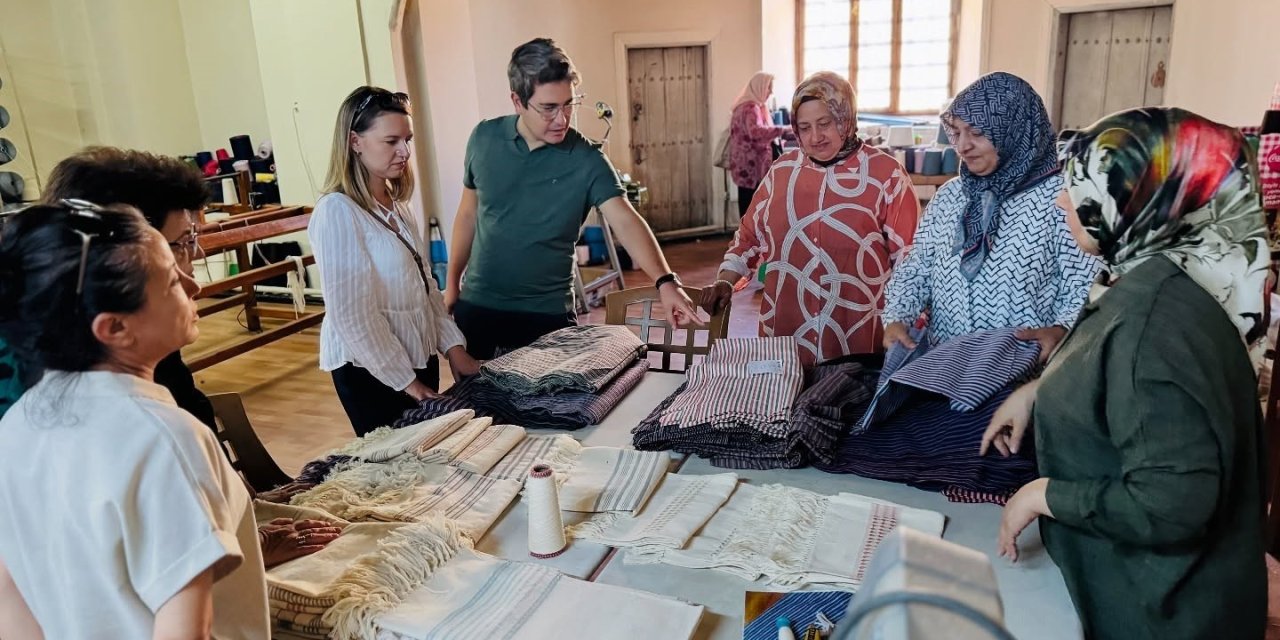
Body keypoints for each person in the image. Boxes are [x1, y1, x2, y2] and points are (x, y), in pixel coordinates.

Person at [983, 108, 1268, 639]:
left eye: (1079, 188)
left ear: (1135, 199)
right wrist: (1041, 391)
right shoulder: (1149, 277)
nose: (1061, 202)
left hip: (1161, 614)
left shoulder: (1153, 329)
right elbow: (1113, 369)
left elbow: (1172, 505)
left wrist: (1044, 495)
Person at [41, 146, 338, 568]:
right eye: (180, 245)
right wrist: (241, 547)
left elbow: (186, 404)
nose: (193, 266)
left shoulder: (135, 350)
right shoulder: (92, 407)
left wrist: (239, 498)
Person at [0, 202, 271, 638]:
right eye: (172, 280)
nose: (194, 284)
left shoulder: (15, 426)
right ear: (114, 328)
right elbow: (185, 631)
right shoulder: (164, 438)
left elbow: (10, 598)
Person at [445, 37, 703, 360]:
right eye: (549, 108)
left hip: (546, 318)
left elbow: (625, 220)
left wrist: (666, 281)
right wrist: (452, 284)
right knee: (476, 395)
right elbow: (468, 215)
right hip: (479, 310)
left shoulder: (586, 159)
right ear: (517, 101)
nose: (562, 118)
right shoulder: (484, 139)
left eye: (569, 104)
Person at [703, 72, 920, 366]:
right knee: (789, 395)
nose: (815, 138)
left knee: (849, 394)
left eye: (825, 124)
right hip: (788, 333)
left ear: (845, 119)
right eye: (804, 127)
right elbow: (748, 238)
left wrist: (903, 319)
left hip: (855, 333)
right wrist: (726, 280)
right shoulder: (782, 172)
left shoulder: (885, 175)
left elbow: (909, 260)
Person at [881, 72, 1099, 357]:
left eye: (977, 133)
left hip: (1024, 366)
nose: (962, 146)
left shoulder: (1061, 199)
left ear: (1014, 130)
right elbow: (917, 269)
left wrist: (1062, 331)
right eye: (957, 132)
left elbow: (1084, 283)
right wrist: (897, 317)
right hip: (947, 361)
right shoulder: (952, 196)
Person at [310, 86, 480, 435]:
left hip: (417, 357)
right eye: (391, 141)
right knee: (399, 458)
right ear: (355, 142)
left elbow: (426, 287)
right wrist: (407, 383)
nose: (404, 151)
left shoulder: (398, 207)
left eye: (407, 140)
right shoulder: (337, 211)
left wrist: (453, 348)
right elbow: (352, 315)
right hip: (370, 371)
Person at [727, 71, 788, 218]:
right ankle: (750, 232)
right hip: (751, 167)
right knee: (752, 207)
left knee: (746, 204)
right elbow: (756, 132)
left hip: (743, 165)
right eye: (768, 87)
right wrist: (783, 129)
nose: (771, 92)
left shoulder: (742, 106)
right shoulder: (751, 107)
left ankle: (746, 232)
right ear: (759, 87)